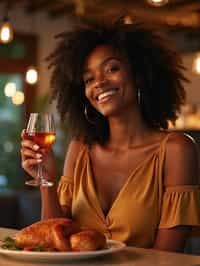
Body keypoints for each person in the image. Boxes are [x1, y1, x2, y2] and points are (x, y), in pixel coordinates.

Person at [21, 16, 200, 252]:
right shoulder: (80, 148)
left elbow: (166, 258)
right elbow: (55, 244)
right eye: (89, 78)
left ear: (138, 75)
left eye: (112, 68)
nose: (99, 83)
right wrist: (46, 179)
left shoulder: (177, 150)